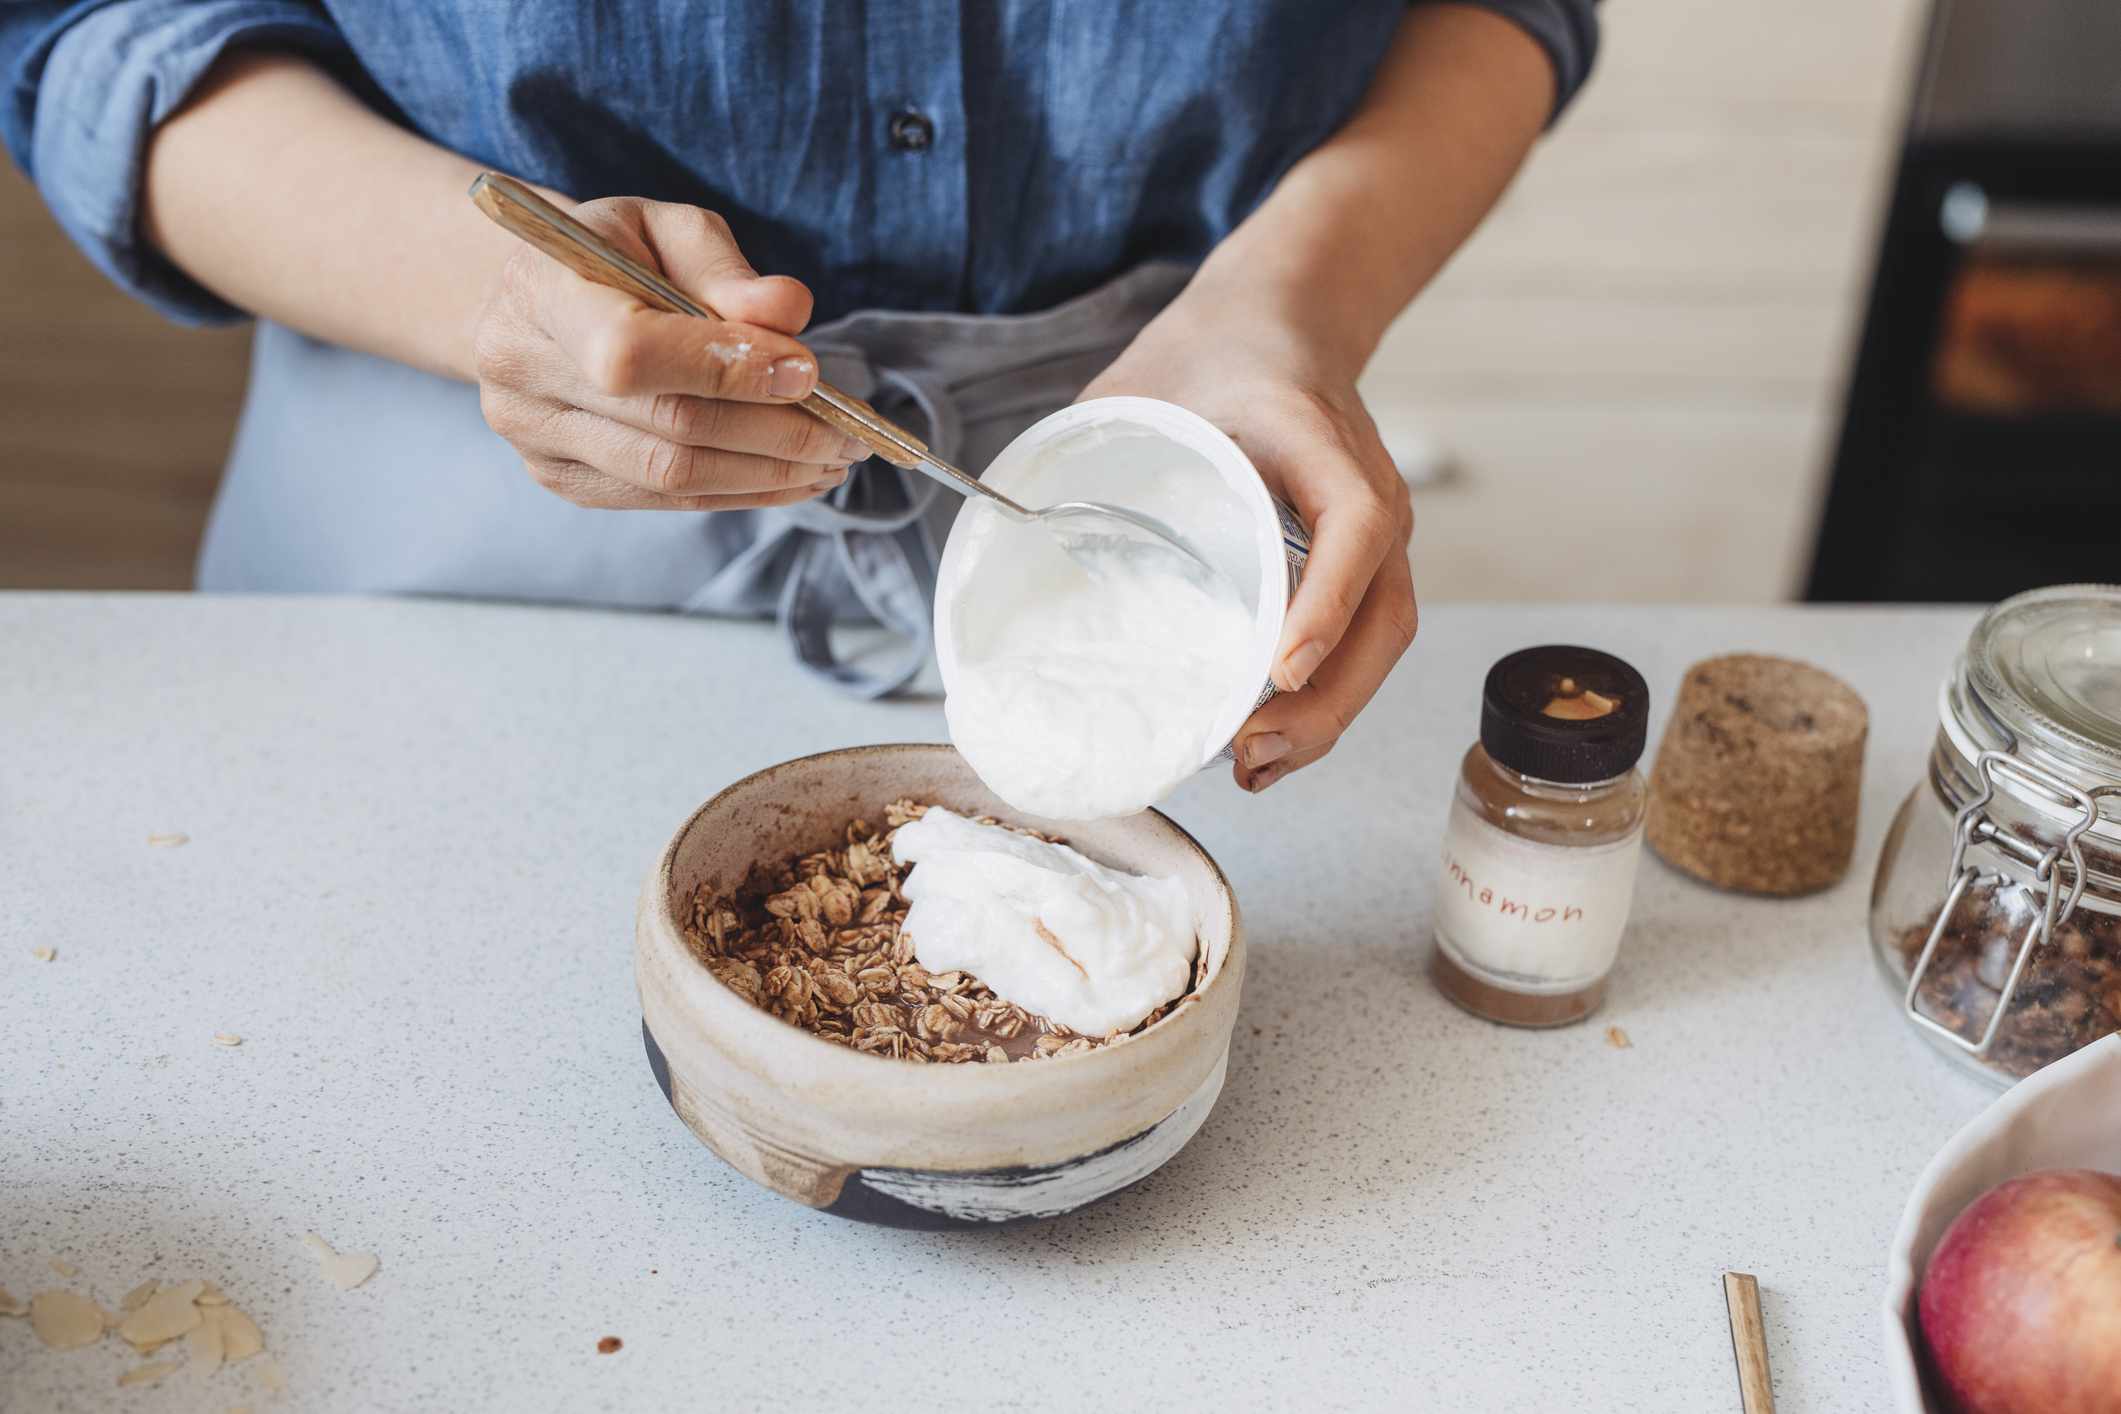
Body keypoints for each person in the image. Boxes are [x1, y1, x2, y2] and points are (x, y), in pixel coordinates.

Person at [1, 1, 1595, 790]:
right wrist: (492, 295)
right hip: (450, 541)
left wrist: (1289, 302)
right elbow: (82, 31)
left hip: (1165, 481)